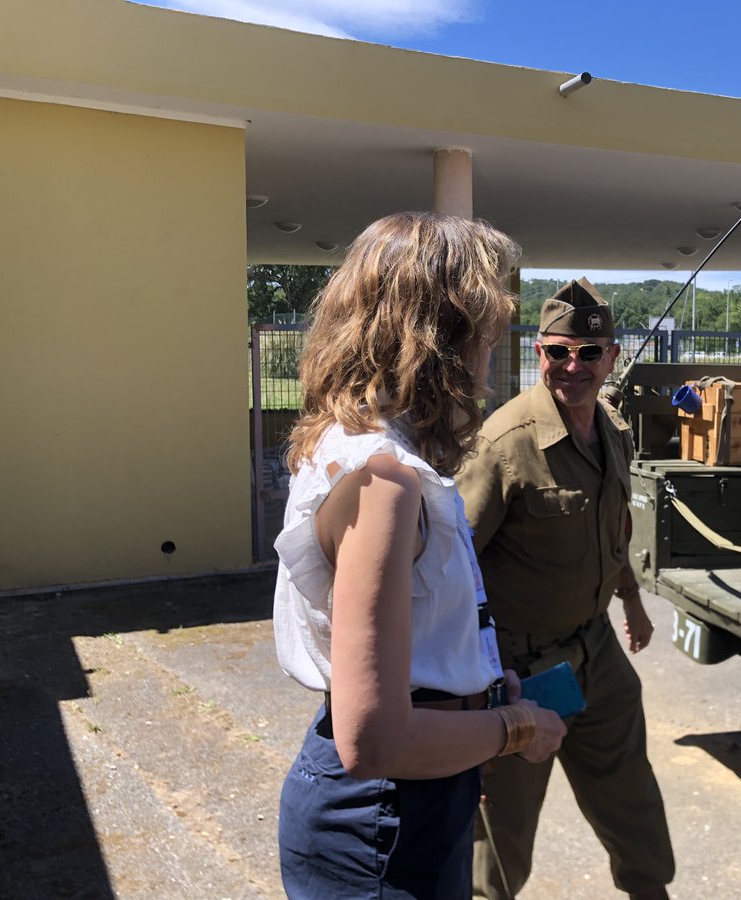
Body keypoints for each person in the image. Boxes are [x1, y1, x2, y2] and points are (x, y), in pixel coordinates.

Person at [271, 212, 567, 900]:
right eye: (489, 334)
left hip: (403, 802)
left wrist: (478, 701)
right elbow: (372, 740)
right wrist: (513, 727)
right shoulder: (386, 482)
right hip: (383, 819)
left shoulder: (360, 450)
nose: (492, 362)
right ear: (445, 340)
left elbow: (411, 656)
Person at [459, 278, 675, 900]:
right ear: (539, 355)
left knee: (630, 797)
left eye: (588, 352)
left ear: (612, 356)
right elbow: (452, 573)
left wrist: (632, 600)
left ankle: (649, 891)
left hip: (596, 649)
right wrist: (482, 675)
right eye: (558, 352)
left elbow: (616, 530)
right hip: (522, 668)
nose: (572, 366)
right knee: (501, 837)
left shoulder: (611, 429)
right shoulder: (504, 444)